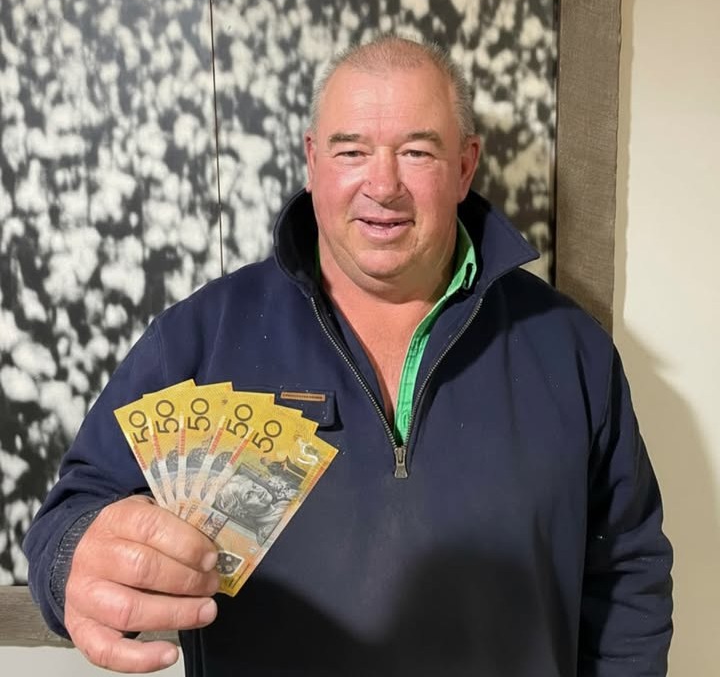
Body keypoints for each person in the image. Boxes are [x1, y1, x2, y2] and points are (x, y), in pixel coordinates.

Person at [23, 35, 673, 676]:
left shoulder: (570, 349)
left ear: (465, 166)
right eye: (351, 150)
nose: (382, 185)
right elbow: (72, 515)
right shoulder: (201, 337)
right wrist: (75, 559)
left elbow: (628, 574)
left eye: (416, 151)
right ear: (313, 161)